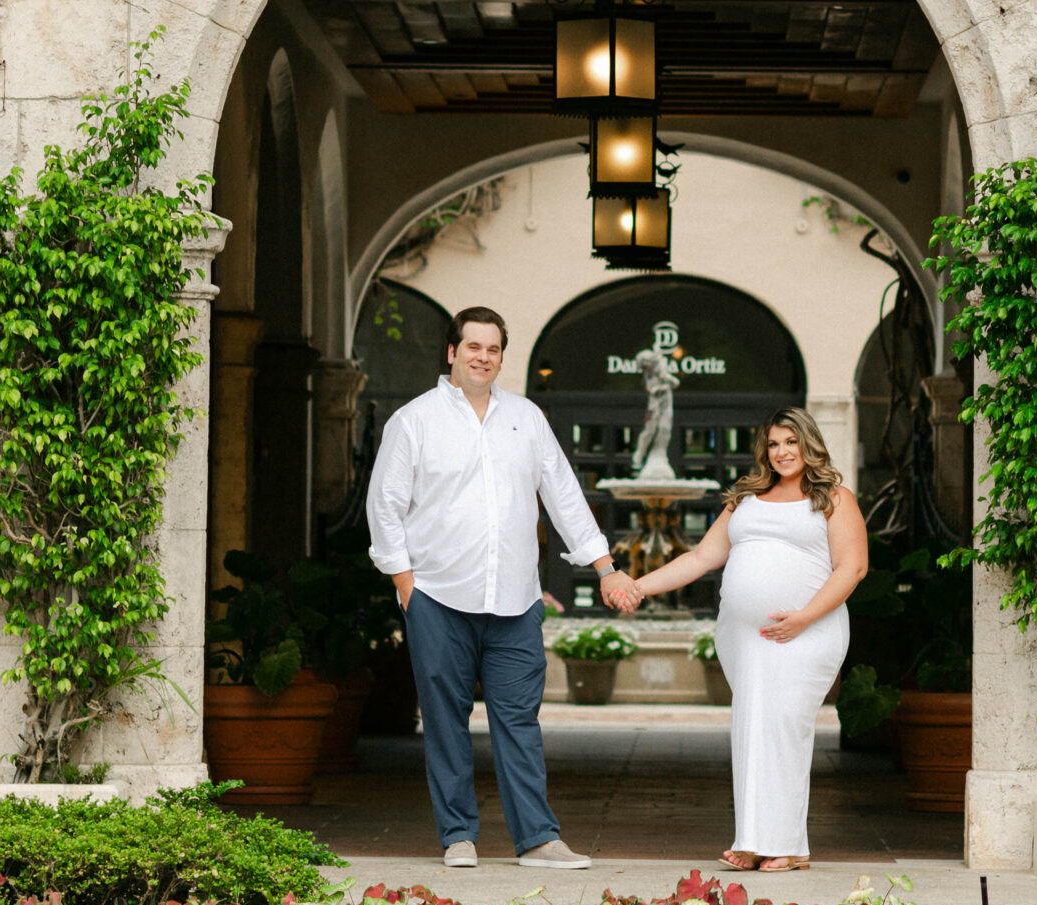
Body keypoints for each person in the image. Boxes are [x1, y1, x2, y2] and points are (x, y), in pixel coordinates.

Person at [367, 305, 638, 869]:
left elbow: (563, 493)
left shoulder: (526, 418)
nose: (483, 358)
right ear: (452, 352)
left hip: (515, 599)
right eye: (473, 347)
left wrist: (604, 566)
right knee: (444, 719)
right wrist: (406, 585)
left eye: (493, 349)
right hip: (437, 596)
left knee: (519, 719)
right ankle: (458, 835)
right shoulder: (414, 421)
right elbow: (385, 508)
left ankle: (538, 838)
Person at [623, 409, 867, 872]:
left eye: (791, 442)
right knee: (752, 729)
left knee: (785, 727)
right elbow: (700, 557)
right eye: (774, 444)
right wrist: (639, 586)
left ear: (809, 444)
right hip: (745, 637)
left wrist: (803, 617)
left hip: (807, 631)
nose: (782, 452)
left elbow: (852, 568)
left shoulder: (834, 498)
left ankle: (791, 845)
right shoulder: (746, 499)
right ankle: (753, 838)